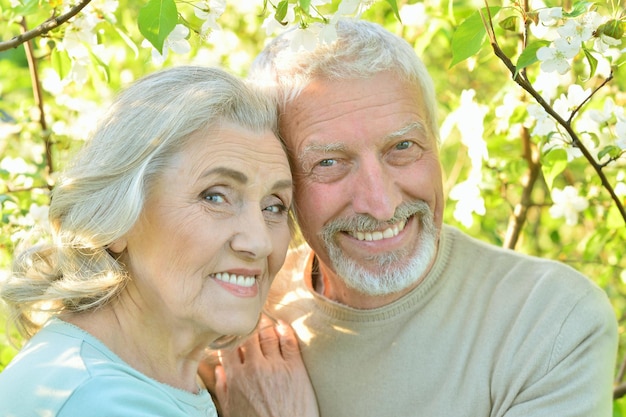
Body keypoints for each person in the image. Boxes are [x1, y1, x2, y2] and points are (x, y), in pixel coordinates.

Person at [200, 19, 619, 417]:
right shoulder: (232, 315)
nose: (380, 204)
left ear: (436, 145)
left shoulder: (548, 322)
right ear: (280, 181)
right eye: (329, 162)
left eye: (402, 147)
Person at [0, 65, 310, 416]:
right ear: (115, 218)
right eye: (214, 197)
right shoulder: (97, 400)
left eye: (274, 206)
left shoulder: (136, 375)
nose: (259, 242)